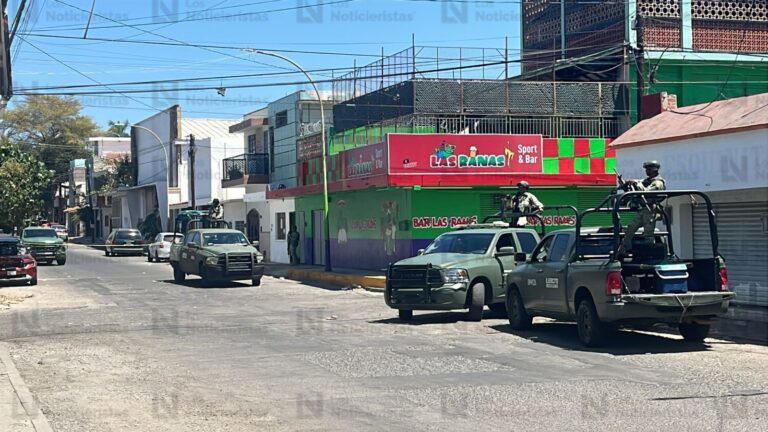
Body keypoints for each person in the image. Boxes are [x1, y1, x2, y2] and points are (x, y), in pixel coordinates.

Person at [620, 160, 666, 253]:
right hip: (643, 209)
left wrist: (637, 184)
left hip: (651, 209)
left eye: (648, 169)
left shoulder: (658, 183)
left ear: (654, 170)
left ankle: (650, 252)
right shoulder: (648, 180)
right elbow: (639, 183)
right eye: (646, 169)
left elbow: (647, 192)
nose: (646, 171)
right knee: (631, 228)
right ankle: (624, 249)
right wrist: (627, 183)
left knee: (648, 233)